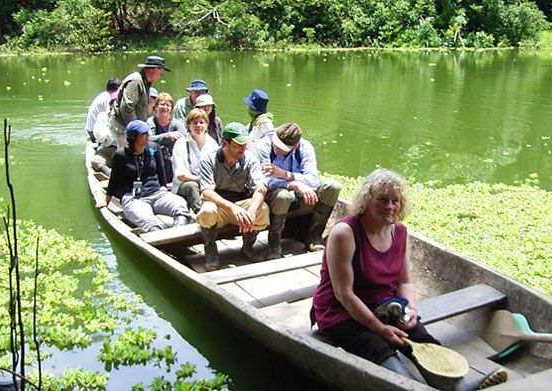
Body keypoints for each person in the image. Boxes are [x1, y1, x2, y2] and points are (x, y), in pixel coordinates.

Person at [310, 169, 506, 390]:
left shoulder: (400, 232)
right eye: (382, 200)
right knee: (376, 345)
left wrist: (411, 310)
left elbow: (405, 282)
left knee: (420, 336)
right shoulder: (345, 233)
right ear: (367, 200)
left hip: (383, 305)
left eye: (395, 201)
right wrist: (381, 329)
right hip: (339, 311)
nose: (390, 207)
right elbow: (344, 295)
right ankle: (408, 387)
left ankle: (457, 386)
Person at [255, 123, 341, 259]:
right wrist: (294, 185)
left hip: (299, 193)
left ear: (295, 146)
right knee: (283, 196)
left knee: (333, 187)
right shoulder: (263, 146)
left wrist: (286, 175)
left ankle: (314, 235)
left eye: (282, 149)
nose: (276, 150)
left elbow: (313, 180)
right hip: (276, 195)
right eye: (275, 144)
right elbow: (264, 180)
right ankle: (274, 243)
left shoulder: (305, 148)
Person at [97, 120, 193, 233]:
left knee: (180, 205)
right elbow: (113, 180)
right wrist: (106, 201)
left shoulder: (154, 148)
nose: (148, 136)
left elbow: (161, 173)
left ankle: (179, 232)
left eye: (148, 133)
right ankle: (160, 238)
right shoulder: (120, 155)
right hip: (134, 198)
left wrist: (164, 189)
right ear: (133, 137)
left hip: (157, 194)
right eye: (144, 134)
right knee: (149, 221)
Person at [196, 122, 270, 271]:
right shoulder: (208, 159)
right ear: (225, 143)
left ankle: (248, 247)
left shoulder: (250, 159)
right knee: (206, 211)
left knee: (262, 209)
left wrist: (251, 211)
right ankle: (211, 251)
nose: (243, 148)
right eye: (238, 145)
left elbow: (261, 187)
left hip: (241, 204)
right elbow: (206, 191)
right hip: (220, 206)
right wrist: (232, 207)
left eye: (245, 144)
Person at [94, 54, 169, 174]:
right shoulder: (136, 81)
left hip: (131, 126)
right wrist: (136, 130)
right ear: (155, 70)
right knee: (127, 159)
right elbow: (127, 108)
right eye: (161, 73)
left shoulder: (144, 82)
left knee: (135, 157)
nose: (160, 76)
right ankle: (121, 184)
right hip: (124, 127)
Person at [172, 108, 219, 213]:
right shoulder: (181, 144)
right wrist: (200, 180)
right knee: (192, 186)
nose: (198, 126)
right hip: (185, 185)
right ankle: (200, 214)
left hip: (207, 183)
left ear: (207, 126)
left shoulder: (213, 145)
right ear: (189, 126)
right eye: (195, 123)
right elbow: (180, 174)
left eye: (202, 122)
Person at [149, 92, 187, 184]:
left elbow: (184, 137)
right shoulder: (150, 122)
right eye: (162, 104)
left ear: (171, 108)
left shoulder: (176, 124)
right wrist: (168, 136)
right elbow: (148, 139)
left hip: (171, 158)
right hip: (154, 157)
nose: (165, 107)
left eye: (168, 105)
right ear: (156, 107)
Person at [85, 77, 120, 142]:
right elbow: (111, 116)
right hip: (93, 131)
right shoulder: (108, 98)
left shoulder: (104, 95)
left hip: (91, 128)